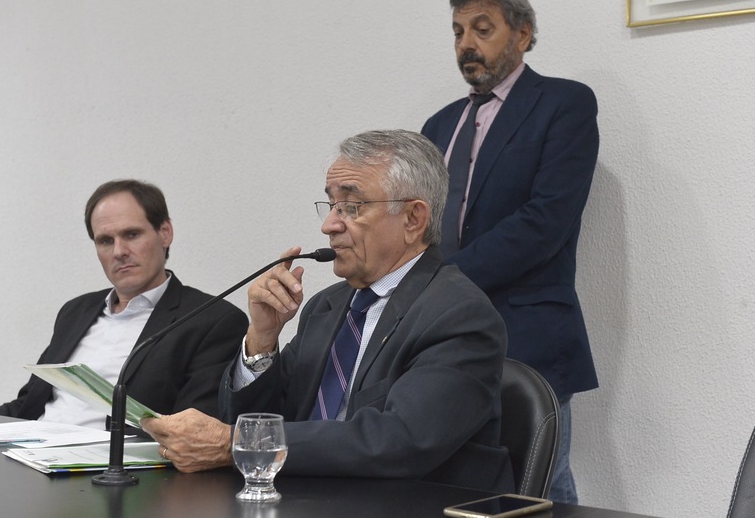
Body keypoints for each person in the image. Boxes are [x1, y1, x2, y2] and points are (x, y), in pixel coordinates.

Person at [142, 130, 514, 493]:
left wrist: (234, 443)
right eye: (332, 206)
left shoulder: (458, 314)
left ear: (413, 219)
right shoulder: (328, 306)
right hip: (306, 500)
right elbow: (263, 420)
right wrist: (261, 341)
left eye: (352, 207)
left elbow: (401, 441)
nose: (329, 226)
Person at [420, 0, 600, 503]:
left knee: (540, 485)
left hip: (527, 329)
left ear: (522, 34)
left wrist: (443, 282)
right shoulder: (438, 125)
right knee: (456, 481)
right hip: (443, 334)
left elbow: (546, 221)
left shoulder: (563, 104)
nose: (466, 44)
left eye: (482, 29)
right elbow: (418, 224)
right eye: (458, 32)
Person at [0, 179, 248, 429]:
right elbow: (27, 405)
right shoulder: (75, 311)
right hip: (31, 449)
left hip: (111, 459)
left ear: (165, 233)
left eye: (131, 234)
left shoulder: (211, 320)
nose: (119, 251)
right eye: (105, 241)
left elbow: (192, 432)